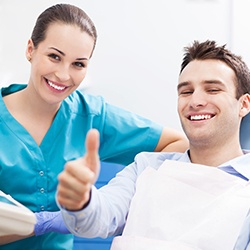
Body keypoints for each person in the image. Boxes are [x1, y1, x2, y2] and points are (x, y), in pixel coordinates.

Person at [0, 3, 188, 250]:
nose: (64, 75)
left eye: (78, 64)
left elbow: (177, 144)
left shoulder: (92, 116)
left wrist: (108, 201)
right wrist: (37, 224)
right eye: (54, 57)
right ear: (30, 49)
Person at [56, 40, 250, 250]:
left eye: (212, 89)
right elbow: (100, 216)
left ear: (244, 104)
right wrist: (82, 200)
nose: (195, 101)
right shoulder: (146, 167)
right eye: (186, 92)